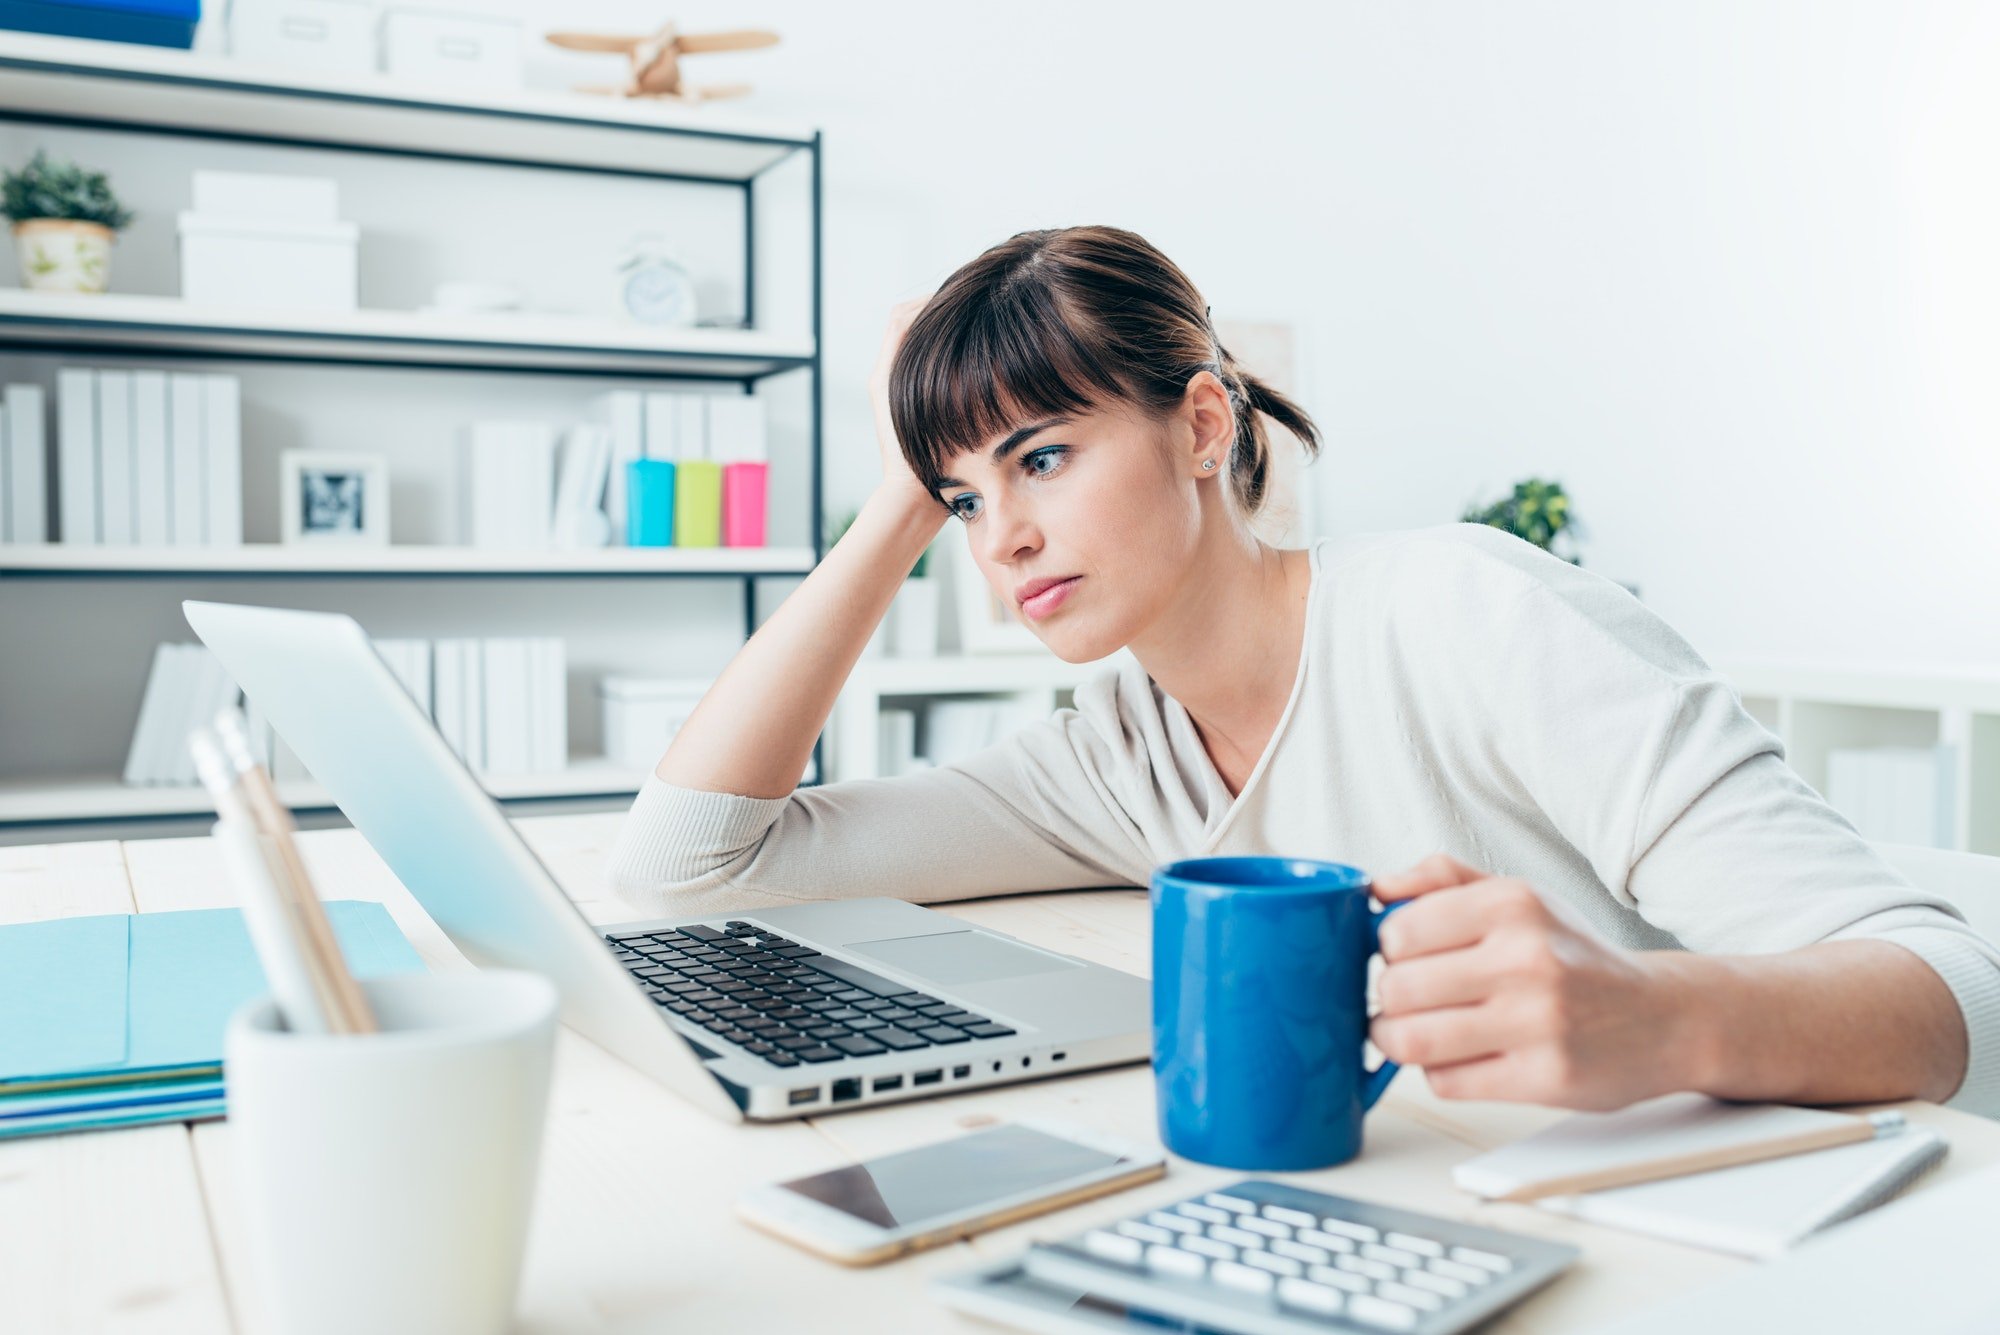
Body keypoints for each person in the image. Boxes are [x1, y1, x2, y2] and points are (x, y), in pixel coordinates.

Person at [606, 224, 1998, 1118]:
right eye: (966, 502)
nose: (1003, 534)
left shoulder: (1470, 613)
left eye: (1041, 457)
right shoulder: (1116, 754)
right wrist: (900, 496)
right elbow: (691, 864)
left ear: (1202, 427)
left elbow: (1955, 1002)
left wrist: (1658, 1017)